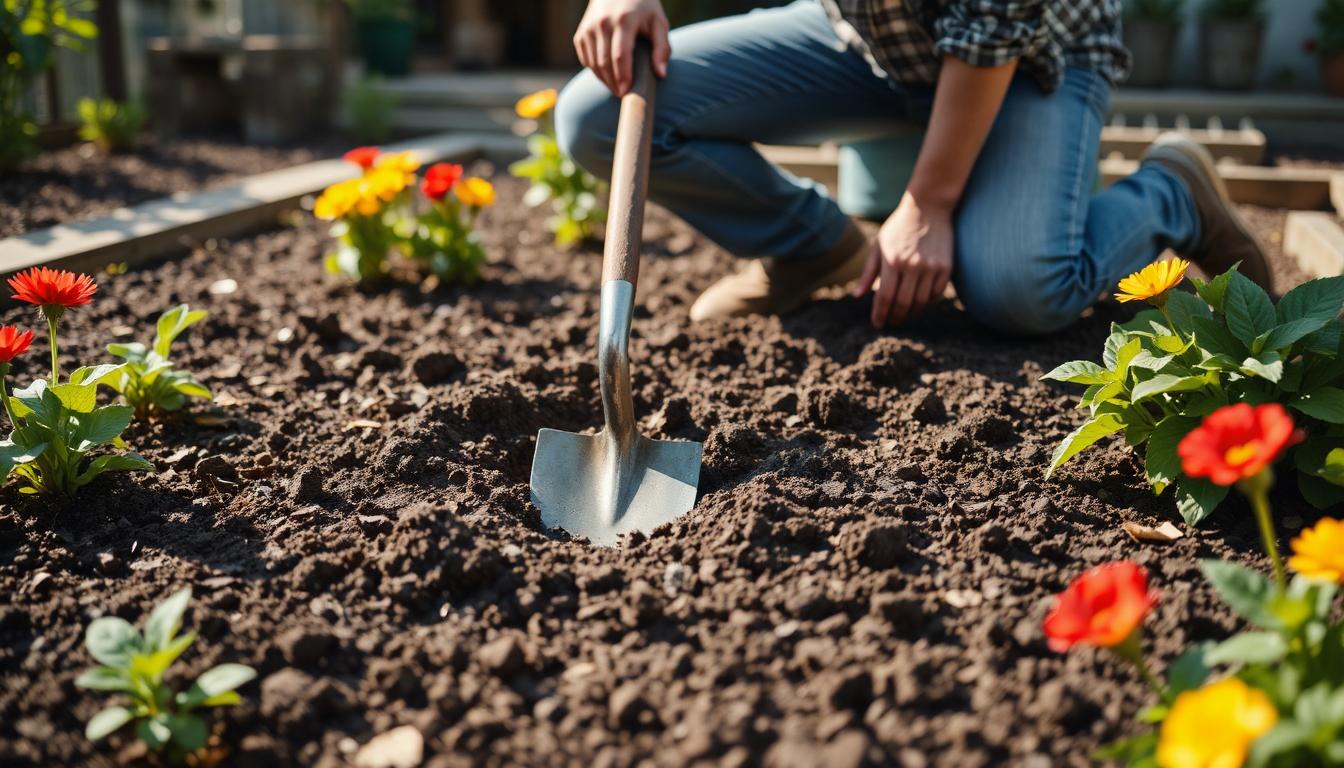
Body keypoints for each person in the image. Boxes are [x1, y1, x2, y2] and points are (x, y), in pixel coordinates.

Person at [553, 0, 1271, 333]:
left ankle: (1171, 195)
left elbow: (996, 24)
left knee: (1021, 292)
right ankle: (812, 246)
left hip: (1033, 59)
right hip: (871, 43)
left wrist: (928, 202)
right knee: (600, 114)